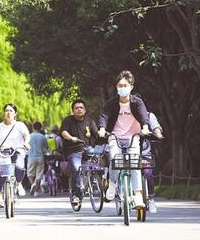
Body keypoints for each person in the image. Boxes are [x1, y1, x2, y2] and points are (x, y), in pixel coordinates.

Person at [98, 70, 150, 208]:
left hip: (134, 137)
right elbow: (104, 115)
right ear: (116, 87)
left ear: (131, 86)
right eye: (120, 86)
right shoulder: (112, 103)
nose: (122, 88)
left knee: (134, 163)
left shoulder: (137, 102)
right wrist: (102, 129)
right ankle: (112, 184)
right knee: (115, 159)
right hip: (115, 136)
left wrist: (145, 127)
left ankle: (138, 196)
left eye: (125, 85)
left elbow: (144, 116)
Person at [0, 103, 30, 208]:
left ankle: (19, 183)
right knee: (2, 173)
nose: (8, 113)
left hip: (18, 150)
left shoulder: (20, 125)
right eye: (6, 110)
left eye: (11, 111)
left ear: (15, 113)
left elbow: (27, 135)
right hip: (3, 152)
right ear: (4, 113)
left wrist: (25, 143)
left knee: (19, 167)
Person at [60, 99, 99, 204]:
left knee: (99, 163)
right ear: (73, 110)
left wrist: (105, 135)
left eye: (81, 108)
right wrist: (71, 138)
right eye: (76, 108)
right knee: (76, 168)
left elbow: (96, 133)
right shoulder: (68, 120)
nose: (79, 109)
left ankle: (99, 185)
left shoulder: (89, 121)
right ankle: (76, 195)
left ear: (85, 110)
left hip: (88, 149)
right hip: (73, 151)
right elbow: (63, 132)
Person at [135, 94, 164, 213]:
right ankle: (126, 196)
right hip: (128, 151)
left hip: (144, 151)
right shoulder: (125, 116)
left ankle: (151, 198)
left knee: (148, 174)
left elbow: (155, 126)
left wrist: (158, 133)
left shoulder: (149, 115)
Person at [27, 121, 48, 197]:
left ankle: (33, 185)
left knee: (30, 173)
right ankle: (36, 190)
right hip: (40, 157)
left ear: (33, 127)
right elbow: (46, 148)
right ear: (40, 128)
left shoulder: (29, 136)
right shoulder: (43, 137)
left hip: (31, 157)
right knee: (39, 174)